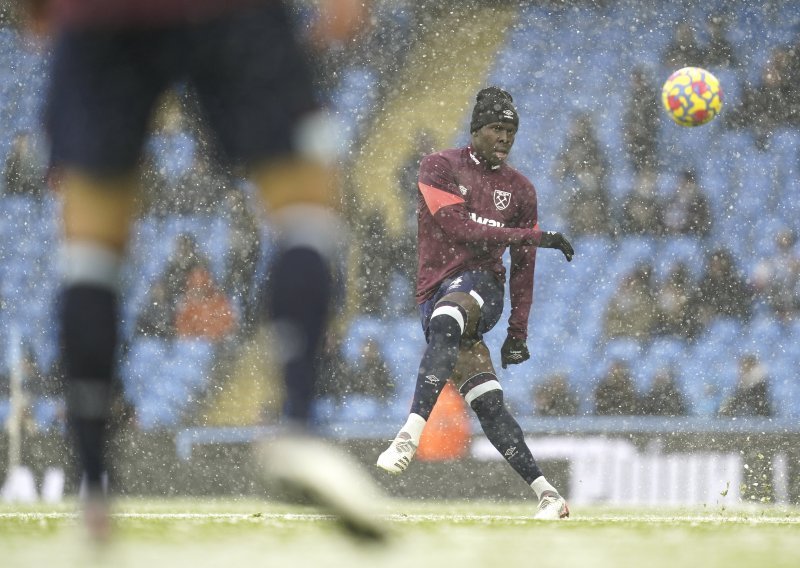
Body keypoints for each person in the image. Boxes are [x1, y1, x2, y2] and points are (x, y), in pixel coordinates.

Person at [29, 0, 385, 542]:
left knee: (92, 251)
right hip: (229, 15)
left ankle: (93, 486)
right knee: (306, 211)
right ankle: (297, 424)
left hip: (99, 18)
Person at [376, 86, 574, 520]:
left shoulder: (521, 190)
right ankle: (549, 495)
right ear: (476, 129)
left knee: (450, 315)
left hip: (483, 288)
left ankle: (409, 434)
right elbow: (460, 229)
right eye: (496, 129)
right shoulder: (438, 167)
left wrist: (518, 332)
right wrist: (536, 237)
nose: (504, 138)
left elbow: (523, 269)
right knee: (488, 403)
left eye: (510, 131)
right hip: (433, 292)